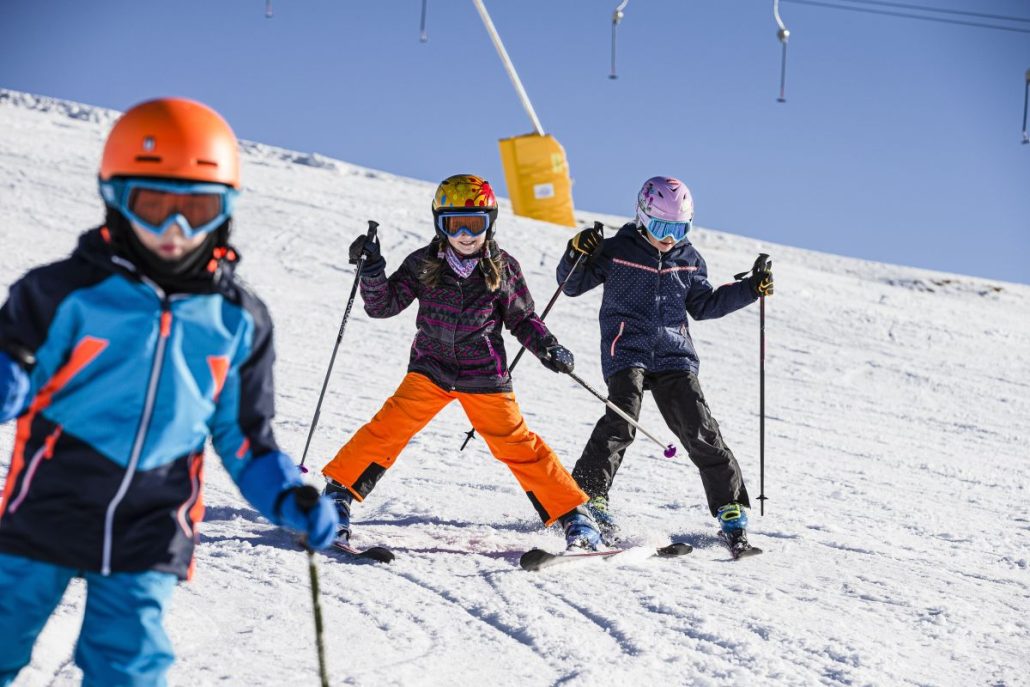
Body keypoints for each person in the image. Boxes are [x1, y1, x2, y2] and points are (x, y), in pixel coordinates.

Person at [0, 97, 338, 686]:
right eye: (152, 206)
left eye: (197, 209)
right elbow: (14, 368)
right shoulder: (62, 293)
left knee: (128, 666)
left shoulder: (238, 320)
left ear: (226, 210)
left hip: (155, 522)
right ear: (115, 197)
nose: (174, 232)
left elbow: (246, 439)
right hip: (48, 501)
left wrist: (289, 497)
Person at [320, 174, 602, 552]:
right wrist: (371, 272)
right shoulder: (423, 262)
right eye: (455, 224)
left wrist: (547, 347)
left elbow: (523, 318)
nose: (466, 234)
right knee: (387, 429)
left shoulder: (504, 267)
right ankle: (335, 499)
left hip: (484, 375)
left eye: (476, 223)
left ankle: (576, 517)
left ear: (491, 222)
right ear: (440, 224)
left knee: (518, 445)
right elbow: (382, 306)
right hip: (431, 369)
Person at [555, 176, 773, 552]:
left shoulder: (688, 259)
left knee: (700, 429)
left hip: (675, 354)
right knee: (621, 421)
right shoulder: (616, 249)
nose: (669, 237)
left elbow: (704, 305)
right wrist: (577, 253)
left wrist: (750, 289)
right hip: (628, 350)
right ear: (641, 217)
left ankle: (731, 509)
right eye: (661, 227)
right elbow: (571, 285)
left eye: (679, 228)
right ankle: (590, 497)